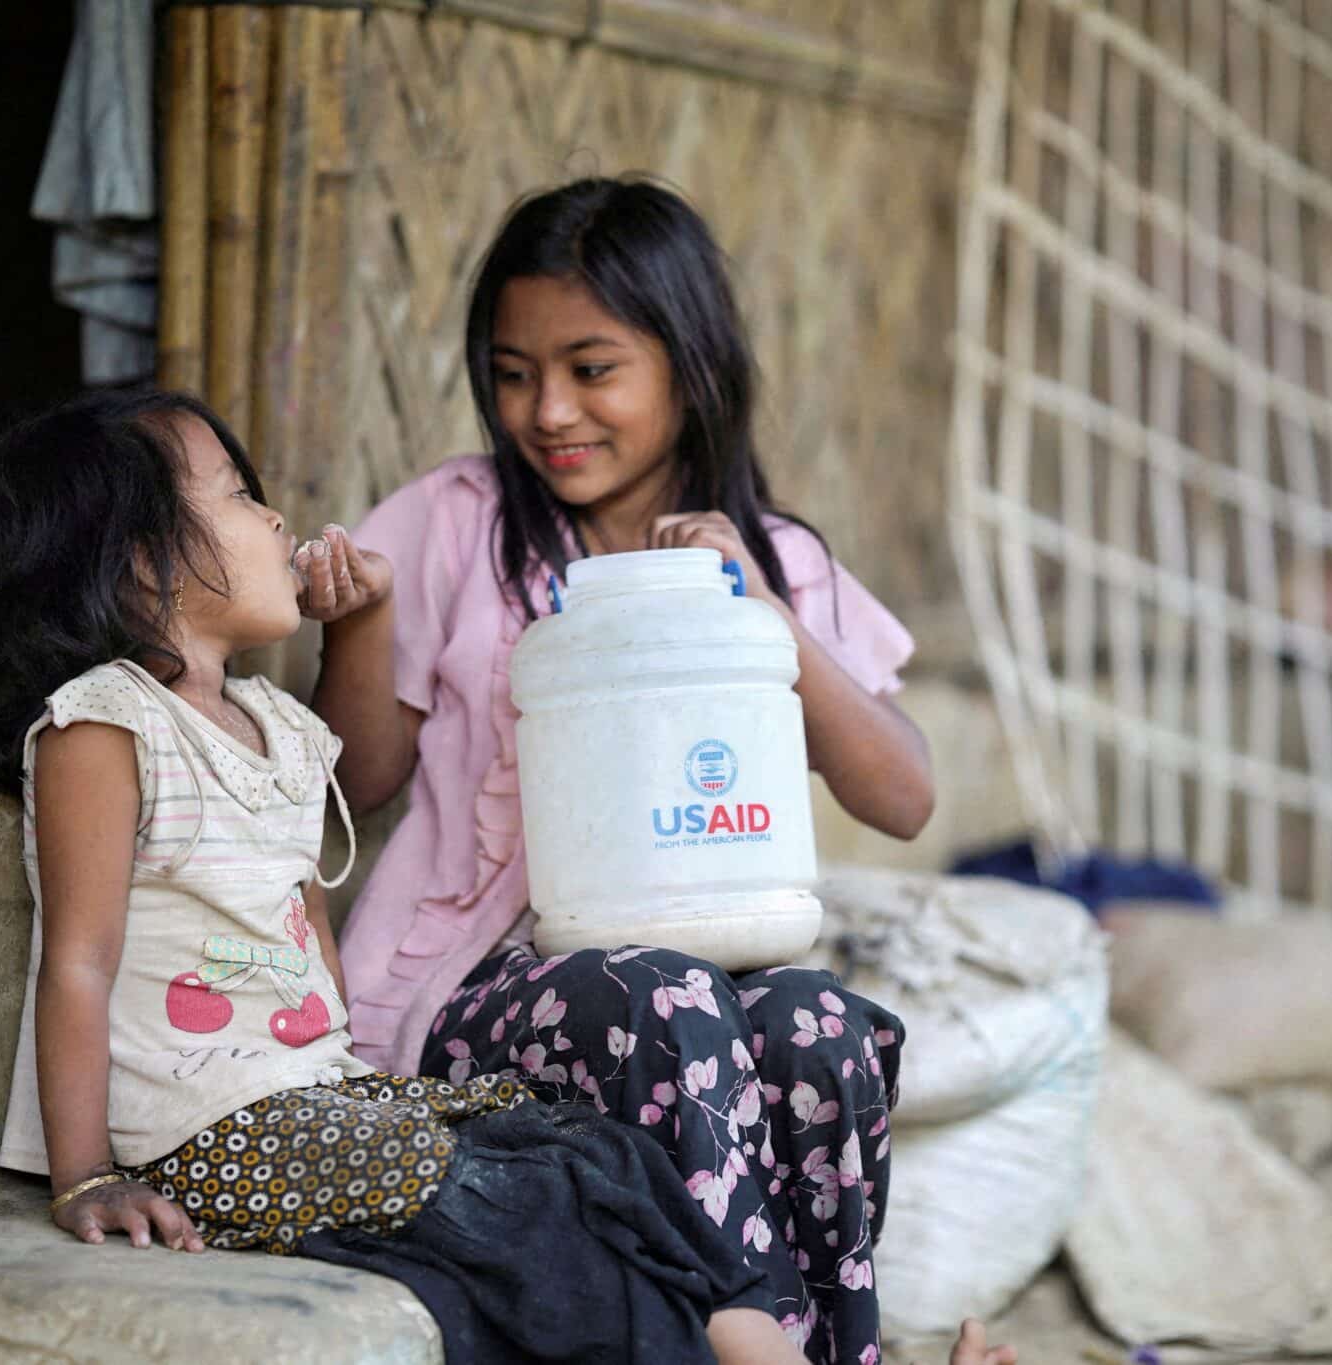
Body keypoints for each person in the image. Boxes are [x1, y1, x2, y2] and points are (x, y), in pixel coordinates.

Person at [0, 387, 867, 1364]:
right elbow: (79, 962)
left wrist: (363, 616)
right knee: (510, 1203)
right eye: (234, 496)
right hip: (206, 1135)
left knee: (580, 1151)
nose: (274, 517)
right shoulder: (105, 725)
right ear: (136, 557)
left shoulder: (273, 726)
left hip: (313, 1099)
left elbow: (306, 908)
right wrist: (86, 1173)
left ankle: (755, 1347)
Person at [306, 177, 1000, 1365]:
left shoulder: (768, 556)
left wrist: (765, 614)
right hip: (476, 999)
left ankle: (839, 1350)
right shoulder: (456, 521)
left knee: (820, 1020)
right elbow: (360, 775)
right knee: (659, 991)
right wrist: (359, 627)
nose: (548, 409)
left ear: (689, 365)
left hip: (697, 996)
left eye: (592, 368)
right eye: (514, 372)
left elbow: (901, 794)